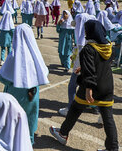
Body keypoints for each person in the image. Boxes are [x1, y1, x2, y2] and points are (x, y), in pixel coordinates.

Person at [50, 20, 119, 151]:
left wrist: (88, 88)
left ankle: (63, 133)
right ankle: (113, 148)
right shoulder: (108, 47)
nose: (85, 32)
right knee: (108, 118)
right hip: (107, 86)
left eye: (86, 30)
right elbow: (100, 64)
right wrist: (83, 67)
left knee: (75, 109)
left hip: (92, 86)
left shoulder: (88, 49)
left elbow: (90, 71)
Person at [0, 23, 50, 144]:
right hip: (33, 94)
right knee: (30, 117)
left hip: (14, 94)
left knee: (14, 121)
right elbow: (43, 73)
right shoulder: (35, 55)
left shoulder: (13, 57)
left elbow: (3, 78)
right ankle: (29, 141)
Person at [58, 13, 96, 117]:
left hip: (81, 68)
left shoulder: (81, 39)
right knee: (92, 87)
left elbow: (81, 53)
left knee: (72, 86)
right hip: (93, 68)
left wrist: (77, 67)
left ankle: (70, 108)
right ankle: (94, 107)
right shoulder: (95, 34)